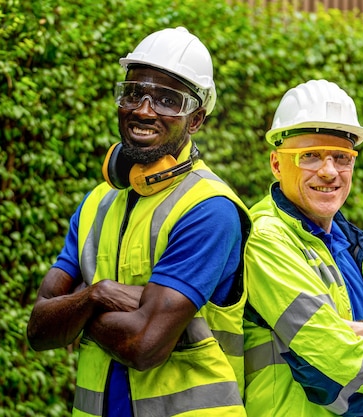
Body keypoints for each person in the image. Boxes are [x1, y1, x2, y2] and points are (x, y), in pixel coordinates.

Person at [27, 27, 250, 417]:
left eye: (168, 100)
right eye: (133, 93)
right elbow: (40, 330)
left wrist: (77, 307)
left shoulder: (209, 209)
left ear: (196, 120)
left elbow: (145, 345)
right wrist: (99, 294)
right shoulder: (97, 203)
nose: (144, 110)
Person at [242, 79, 363, 416]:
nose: (329, 171)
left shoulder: (350, 247)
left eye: (342, 157)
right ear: (276, 164)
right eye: (310, 156)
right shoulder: (266, 239)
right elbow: (337, 372)